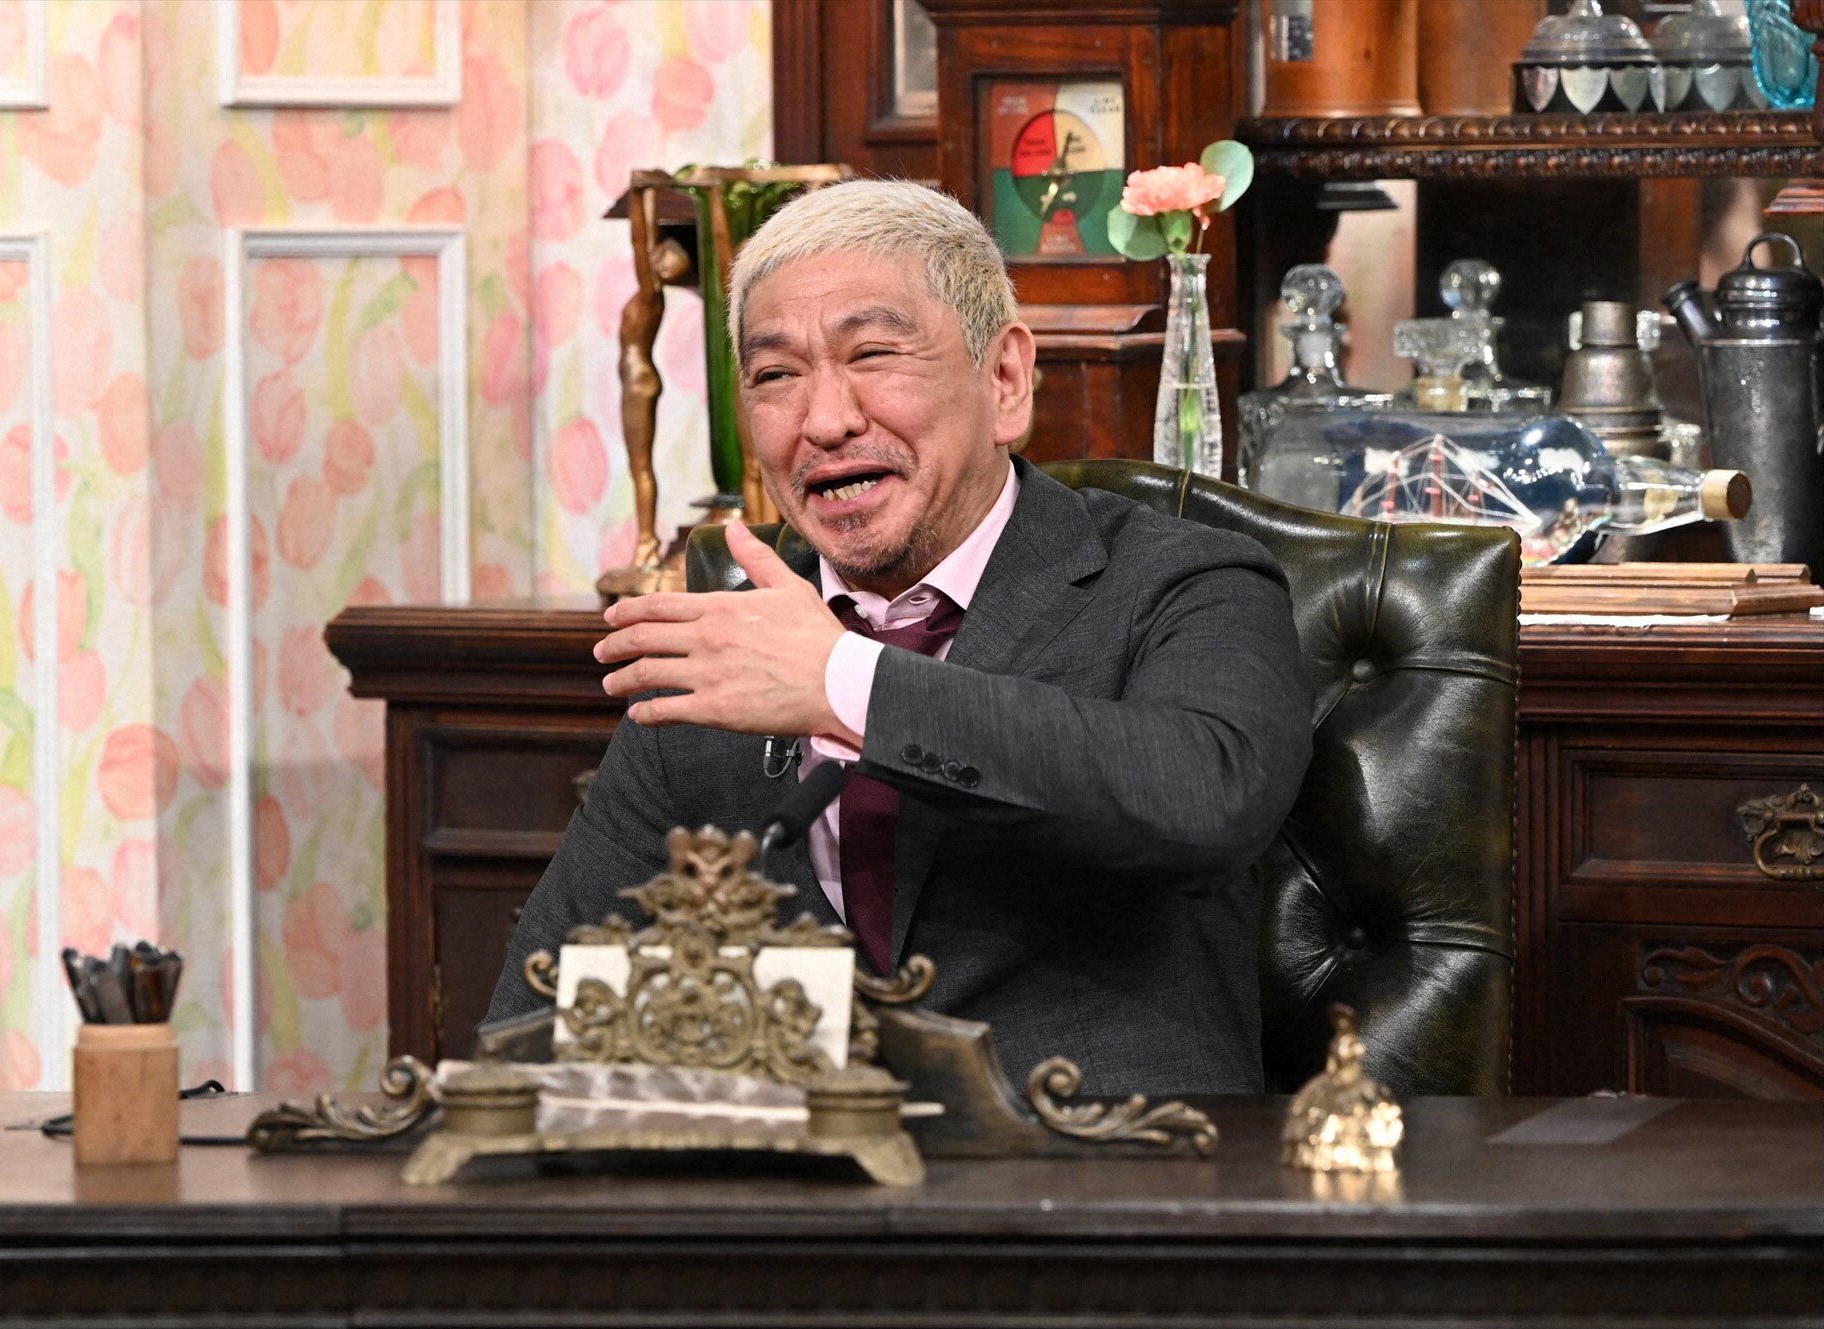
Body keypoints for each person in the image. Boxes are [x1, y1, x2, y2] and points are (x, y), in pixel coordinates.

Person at [484, 181, 1312, 1095]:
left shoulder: (1183, 582)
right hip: (796, 1171)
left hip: (1105, 1161)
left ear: (1004, 381)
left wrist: (844, 682)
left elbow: (1206, 795)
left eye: (872, 354)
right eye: (775, 375)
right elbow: (535, 1016)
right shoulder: (722, 647)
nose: (824, 420)